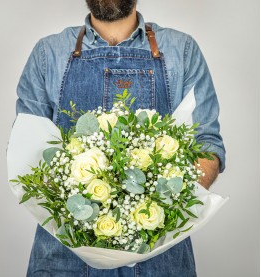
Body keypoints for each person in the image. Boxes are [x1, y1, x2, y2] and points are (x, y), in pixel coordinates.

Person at [16, 0, 226, 276]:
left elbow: (206, 146)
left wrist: (157, 218)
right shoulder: (48, 53)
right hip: (63, 259)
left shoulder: (182, 50)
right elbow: (26, 151)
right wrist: (77, 214)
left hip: (159, 260)